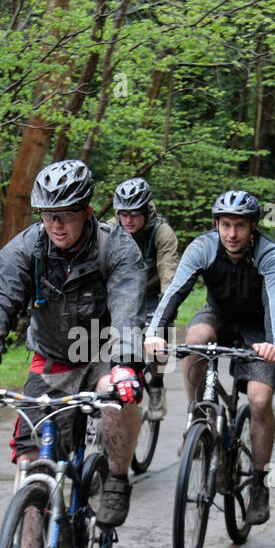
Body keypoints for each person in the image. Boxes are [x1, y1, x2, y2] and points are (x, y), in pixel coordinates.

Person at [0, 160, 147, 548]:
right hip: (51, 357)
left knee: (116, 402)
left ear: (86, 209)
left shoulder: (117, 248)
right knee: (31, 460)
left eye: (64, 213)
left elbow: (126, 309)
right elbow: (0, 303)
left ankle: (117, 478)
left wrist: (123, 367)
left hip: (103, 349)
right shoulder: (24, 249)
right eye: (47, 214)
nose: (55, 224)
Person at [143, 190, 275, 525]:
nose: (232, 234)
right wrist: (154, 332)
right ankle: (198, 415)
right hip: (218, 315)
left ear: (253, 227)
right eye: (225, 225)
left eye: (239, 226)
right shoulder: (203, 247)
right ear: (216, 225)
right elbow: (175, 292)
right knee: (195, 339)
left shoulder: (270, 254)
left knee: (260, 400)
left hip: (258, 329)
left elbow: (273, 302)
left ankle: (260, 482)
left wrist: (273, 342)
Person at [104, 178, 180, 418]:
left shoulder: (161, 232)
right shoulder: (109, 230)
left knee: (160, 338)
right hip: (119, 295)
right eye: (123, 213)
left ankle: (156, 384)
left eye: (134, 213)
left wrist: (164, 317)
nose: (128, 219)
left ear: (146, 210)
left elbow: (170, 275)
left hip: (151, 295)